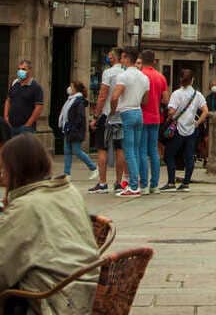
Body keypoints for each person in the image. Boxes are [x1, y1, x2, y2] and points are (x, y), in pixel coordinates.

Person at [0, 134, 99, 312]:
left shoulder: (27, 207)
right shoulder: (68, 191)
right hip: (86, 291)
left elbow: (2, 270)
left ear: (14, 169)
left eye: (3, 167)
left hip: (55, 301)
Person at [110, 47, 150, 197]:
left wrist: (113, 111)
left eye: (122, 57)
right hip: (139, 111)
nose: (121, 59)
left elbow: (114, 97)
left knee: (129, 150)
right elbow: (145, 100)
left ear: (126, 58)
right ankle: (141, 182)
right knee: (138, 149)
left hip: (127, 112)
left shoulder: (124, 76)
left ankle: (133, 185)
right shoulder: (144, 77)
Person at [161, 68, 208, 192]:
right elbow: (205, 111)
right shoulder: (197, 95)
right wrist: (197, 123)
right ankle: (186, 183)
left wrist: (172, 116)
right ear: (192, 80)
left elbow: (171, 111)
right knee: (189, 156)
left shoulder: (177, 94)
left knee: (169, 155)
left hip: (178, 129)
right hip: (191, 129)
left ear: (180, 80)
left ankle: (171, 182)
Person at [88, 48, 126, 193]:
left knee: (101, 148)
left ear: (113, 58)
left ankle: (103, 183)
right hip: (122, 114)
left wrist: (96, 116)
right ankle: (118, 182)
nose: (108, 57)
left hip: (107, 114)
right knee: (120, 148)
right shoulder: (125, 73)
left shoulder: (108, 73)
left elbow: (103, 95)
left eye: (110, 55)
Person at [139, 49, 168, 194]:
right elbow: (165, 99)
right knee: (154, 151)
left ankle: (143, 185)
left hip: (142, 116)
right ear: (154, 61)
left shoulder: (141, 75)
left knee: (142, 151)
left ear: (142, 60)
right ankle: (154, 184)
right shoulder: (160, 77)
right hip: (156, 117)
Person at [59, 80, 98, 179]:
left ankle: (93, 168)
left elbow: (80, 117)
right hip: (68, 128)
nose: (69, 89)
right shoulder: (70, 100)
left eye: (71, 87)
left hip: (75, 130)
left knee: (77, 151)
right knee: (67, 151)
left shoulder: (78, 101)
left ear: (76, 89)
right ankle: (67, 174)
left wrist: (73, 127)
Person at [4, 59, 44, 137]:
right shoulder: (15, 84)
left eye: (23, 69)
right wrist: (6, 117)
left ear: (29, 70)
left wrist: (27, 125)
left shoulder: (36, 87)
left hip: (25, 128)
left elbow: (39, 107)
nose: (20, 71)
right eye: (19, 69)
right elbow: (8, 100)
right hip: (11, 126)